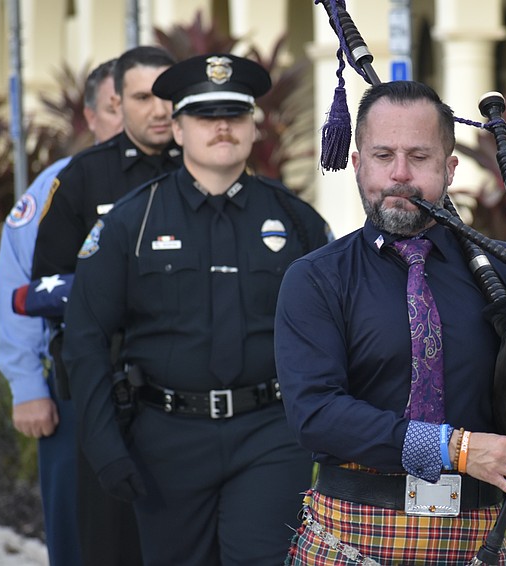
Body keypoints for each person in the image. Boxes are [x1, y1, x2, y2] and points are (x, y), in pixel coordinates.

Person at [274, 80, 506, 565]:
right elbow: (316, 414)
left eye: (419, 157)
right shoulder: (316, 279)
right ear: (358, 165)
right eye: (383, 156)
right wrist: (458, 448)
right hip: (350, 537)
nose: (400, 175)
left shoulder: (505, 271)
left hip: (472, 540)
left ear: (449, 170)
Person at [61, 53, 333, 565]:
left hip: (269, 437)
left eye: (234, 115)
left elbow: (332, 333)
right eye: (206, 117)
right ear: (179, 129)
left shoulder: (297, 222)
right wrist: (103, 445)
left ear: (253, 128)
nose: (222, 127)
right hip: (166, 440)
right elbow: (85, 338)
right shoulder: (130, 223)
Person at [31, 45, 181, 566]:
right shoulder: (82, 179)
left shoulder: (209, 172)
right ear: (119, 101)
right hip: (108, 397)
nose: (160, 110)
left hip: (190, 400)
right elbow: (45, 286)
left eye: (167, 96)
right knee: (109, 546)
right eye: (144, 97)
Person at [0, 58, 122, 566]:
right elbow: (21, 287)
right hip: (75, 392)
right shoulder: (56, 185)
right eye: (117, 107)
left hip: (165, 400)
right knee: (78, 541)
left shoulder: (188, 180)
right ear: (91, 117)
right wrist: (27, 387)